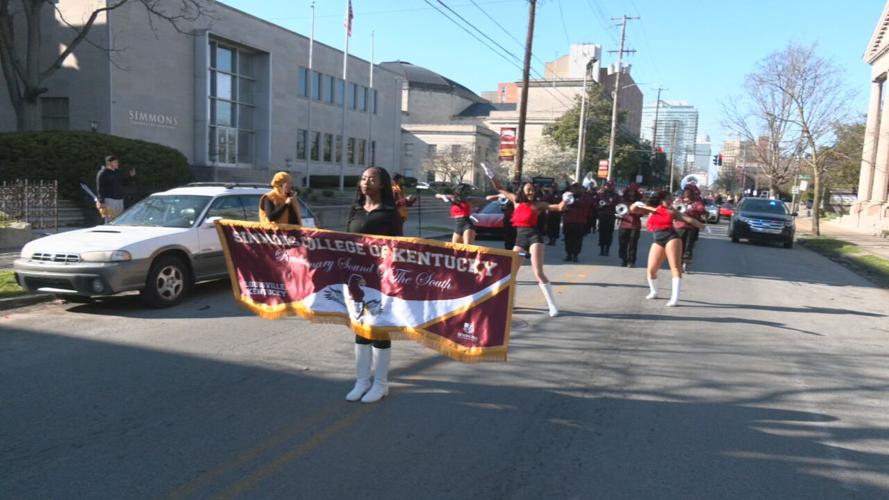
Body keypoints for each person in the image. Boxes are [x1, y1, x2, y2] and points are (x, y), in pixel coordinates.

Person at [344, 166, 404, 404]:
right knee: (360, 328)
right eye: (363, 178)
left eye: (371, 179)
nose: (365, 182)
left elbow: (399, 248)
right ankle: (362, 381)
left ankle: (380, 383)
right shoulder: (356, 209)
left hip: (381, 280)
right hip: (355, 277)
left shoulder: (390, 213)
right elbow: (345, 241)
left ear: (382, 185)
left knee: (379, 329)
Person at [487, 168, 566, 317]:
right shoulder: (516, 201)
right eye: (528, 190)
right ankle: (511, 302)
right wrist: (491, 175)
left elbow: (558, 207)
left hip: (534, 237)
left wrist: (566, 199)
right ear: (522, 191)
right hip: (520, 239)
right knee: (511, 273)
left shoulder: (538, 204)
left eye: (533, 190)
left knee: (538, 272)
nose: (531, 192)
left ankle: (552, 305)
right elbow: (500, 188)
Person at [635, 191, 705, 306]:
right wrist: (636, 204)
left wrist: (702, 226)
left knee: (675, 267)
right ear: (661, 200)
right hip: (658, 240)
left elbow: (688, 219)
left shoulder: (672, 211)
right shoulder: (652, 209)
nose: (671, 201)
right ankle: (654, 291)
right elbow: (633, 209)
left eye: (671, 199)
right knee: (651, 270)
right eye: (668, 199)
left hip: (671, 238)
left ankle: (674, 298)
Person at [673, 184, 707, 272]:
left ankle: (685, 262)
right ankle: (678, 262)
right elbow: (673, 208)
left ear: (692, 193)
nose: (686, 193)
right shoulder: (679, 200)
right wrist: (677, 206)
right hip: (679, 227)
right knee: (678, 245)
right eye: (685, 191)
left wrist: (694, 209)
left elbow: (702, 210)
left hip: (691, 228)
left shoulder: (696, 202)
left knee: (688, 246)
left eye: (688, 191)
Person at [95, 155, 135, 223]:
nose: (117, 163)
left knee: (119, 220)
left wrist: (131, 177)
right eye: (115, 162)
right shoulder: (102, 173)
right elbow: (100, 188)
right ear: (109, 163)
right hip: (109, 201)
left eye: (117, 162)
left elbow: (124, 183)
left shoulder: (118, 172)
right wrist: (101, 201)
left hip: (120, 200)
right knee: (110, 220)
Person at [617, 183, 644, 268]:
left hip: (635, 225)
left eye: (633, 191)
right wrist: (619, 214)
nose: (631, 193)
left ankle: (631, 261)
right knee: (622, 243)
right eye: (630, 191)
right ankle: (623, 259)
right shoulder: (622, 199)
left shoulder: (639, 201)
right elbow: (618, 209)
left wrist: (636, 211)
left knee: (633, 244)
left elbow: (643, 212)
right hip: (624, 224)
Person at [561, 183, 590, 262]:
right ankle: (568, 254)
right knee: (568, 239)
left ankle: (575, 255)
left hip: (579, 221)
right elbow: (562, 205)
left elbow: (586, 204)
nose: (575, 190)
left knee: (577, 239)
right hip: (568, 221)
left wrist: (573, 202)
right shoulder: (568, 196)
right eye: (573, 188)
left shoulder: (584, 197)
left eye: (577, 188)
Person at [596, 181, 621, 256]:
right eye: (608, 186)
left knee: (609, 233)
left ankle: (607, 249)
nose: (609, 187)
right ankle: (601, 249)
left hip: (611, 216)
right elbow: (596, 204)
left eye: (611, 186)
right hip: (602, 216)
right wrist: (600, 206)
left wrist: (612, 205)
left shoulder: (616, 196)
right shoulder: (601, 195)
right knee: (602, 232)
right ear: (605, 186)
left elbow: (619, 206)